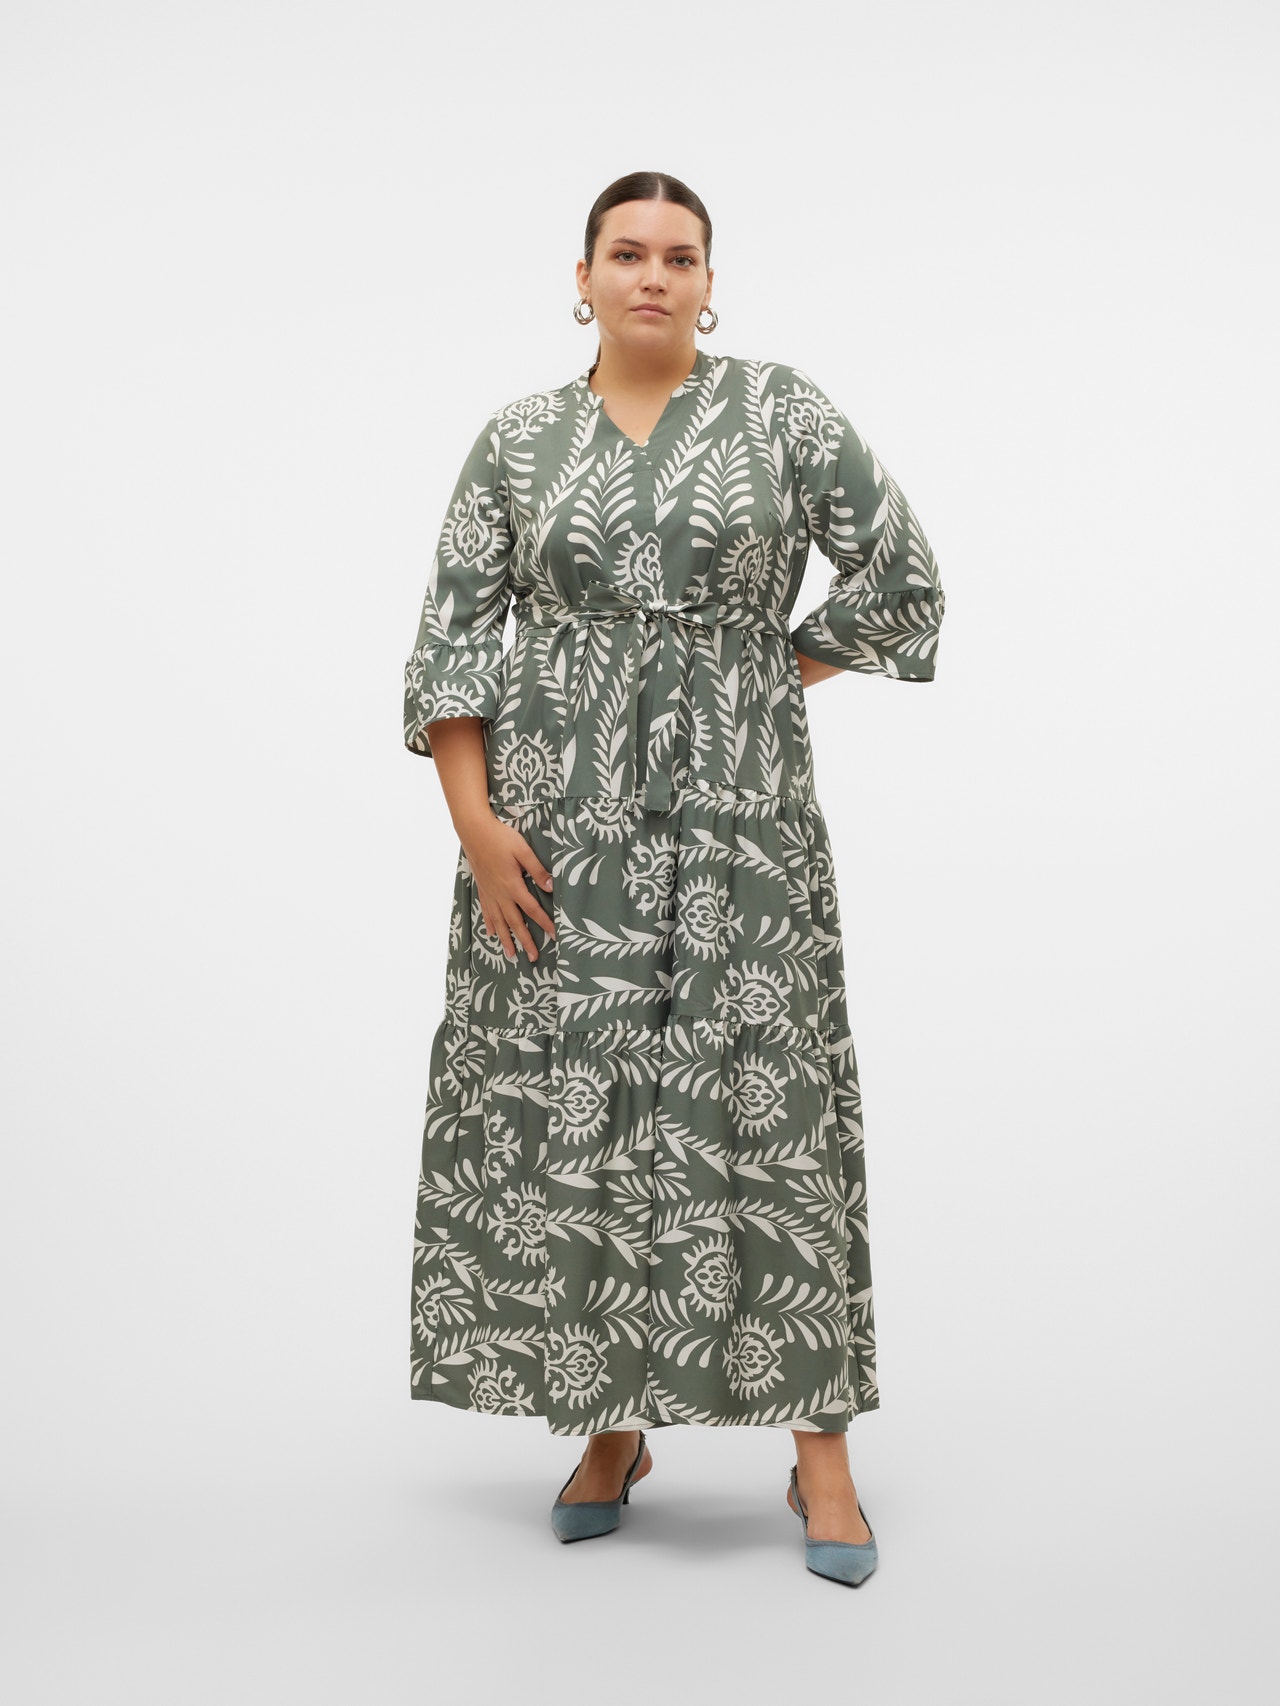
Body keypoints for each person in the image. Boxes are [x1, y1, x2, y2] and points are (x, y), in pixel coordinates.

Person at [402, 170, 945, 1586]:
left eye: (681, 256)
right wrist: (475, 825)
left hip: (738, 826)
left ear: (711, 282)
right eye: (628, 252)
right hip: (556, 831)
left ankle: (821, 1452)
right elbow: (451, 641)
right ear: (580, 275)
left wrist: (756, 670)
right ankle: (608, 1425)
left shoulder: (781, 414)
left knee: (768, 1104)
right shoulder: (517, 440)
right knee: (582, 1110)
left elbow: (902, 580)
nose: (654, 274)